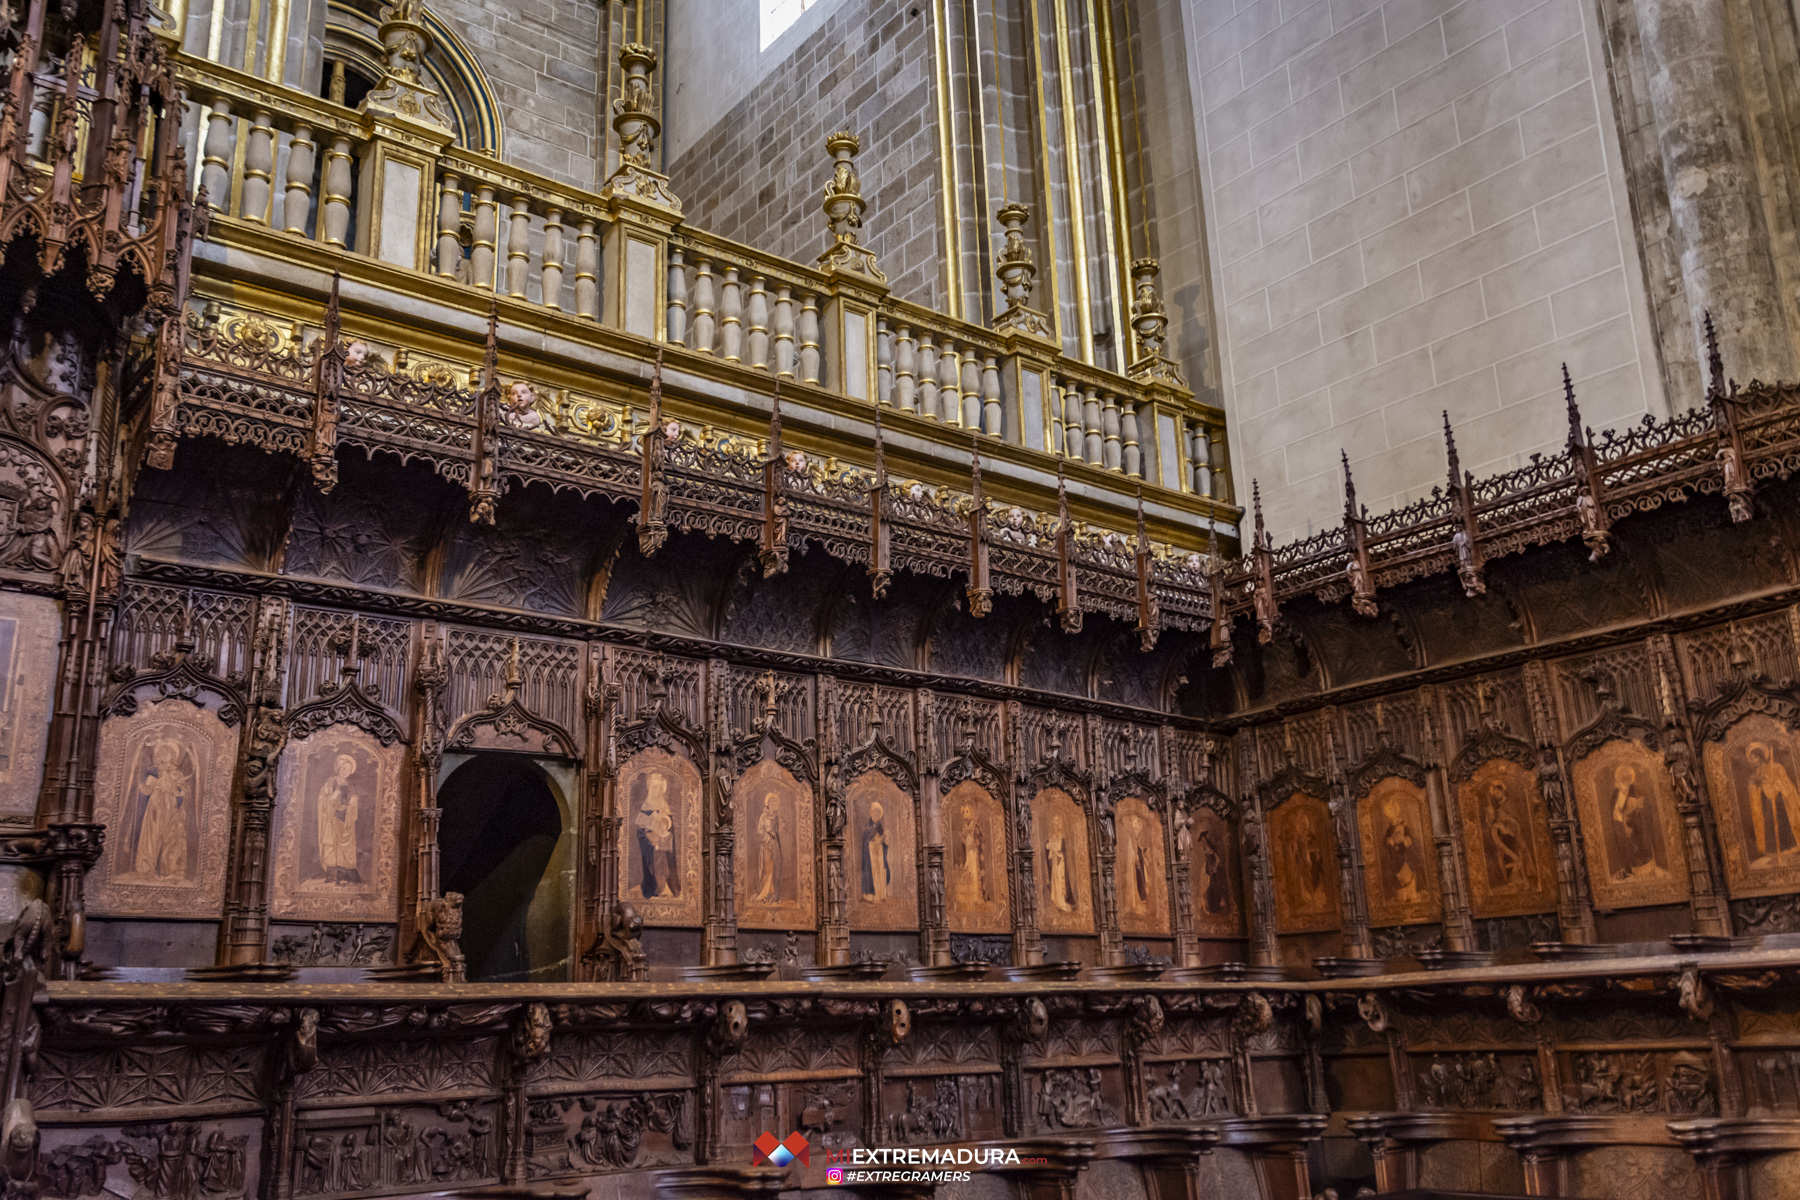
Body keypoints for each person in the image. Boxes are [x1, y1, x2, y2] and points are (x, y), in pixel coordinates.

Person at [132, 738, 190, 880]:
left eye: (168, 752)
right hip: (155, 806)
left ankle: (168, 870)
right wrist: (142, 784)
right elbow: (146, 790)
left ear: (173, 755)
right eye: (162, 752)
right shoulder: (153, 771)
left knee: (169, 836)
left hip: (170, 806)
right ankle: (147, 870)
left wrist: (180, 790)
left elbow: (182, 793)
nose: (165, 755)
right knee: (152, 835)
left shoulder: (177, 774)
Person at [1746, 741, 1800, 863]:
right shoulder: (1757, 772)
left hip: (1779, 801)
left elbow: (1784, 783)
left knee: (1782, 823)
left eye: (1755, 757)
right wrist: (1756, 784)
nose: (1754, 761)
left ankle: (1789, 847)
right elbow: (1757, 789)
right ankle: (1774, 850)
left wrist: (1772, 783)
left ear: (1760, 756)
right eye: (1752, 759)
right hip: (1766, 802)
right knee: (1769, 823)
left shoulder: (1776, 767)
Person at [315, 753, 362, 885]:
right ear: (338, 769)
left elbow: (354, 800)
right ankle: (332, 874)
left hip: (345, 818)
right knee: (331, 845)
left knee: (346, 847)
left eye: (348, 770)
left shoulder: (351, 784)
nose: (345, 772)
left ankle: (347, 875)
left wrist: (350, 806)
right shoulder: (331, 782)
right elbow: (323, 798)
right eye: (343, 769)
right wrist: (334, 796)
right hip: (331, 816)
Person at [754, 791, 781, 904]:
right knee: (767, 867)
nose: (774, 806)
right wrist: (768, 833)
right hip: (766, 843)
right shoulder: (763, 816)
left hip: (775, 844)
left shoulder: (777, 817)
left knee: (775, 867)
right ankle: (764, 892)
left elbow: (781, 830)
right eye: (772, 803)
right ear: (768, 804)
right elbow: (759, 831)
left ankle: (773, 894)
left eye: (776, 804)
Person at [860, 800, 891, 902]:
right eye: (875, 812)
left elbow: (882, 839)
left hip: (879, 853)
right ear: (872, 813)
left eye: (878, 813)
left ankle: (881, 895)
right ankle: (871, 896)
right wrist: (872, 841)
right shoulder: (867, 826)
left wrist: (885, 838)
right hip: (871, 853)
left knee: (880, 871)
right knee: (872, 873)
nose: (876, 814)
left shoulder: (879, 825)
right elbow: (866, 839)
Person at [1045, 813, 1076, 913]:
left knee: (1060, 881)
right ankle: (1058, 903)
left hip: (1060, 861)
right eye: (1054, 822)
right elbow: (1048, 846)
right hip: (1054, 861)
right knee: (1055, 880)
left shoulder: (1060, 835)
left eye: (1057, 822)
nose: (1055, 824)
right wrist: (1049, 844)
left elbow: (1059, 848)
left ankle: (1062, 902)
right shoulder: (1053, 835)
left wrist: (1053, 848)